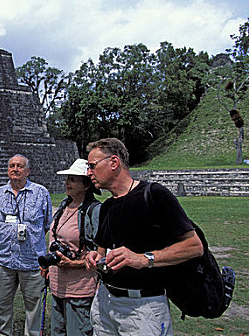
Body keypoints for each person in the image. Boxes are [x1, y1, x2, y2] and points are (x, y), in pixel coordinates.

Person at [83, 138, 203, 335]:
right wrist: (94, 258)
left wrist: (143, 259)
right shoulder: (107, 207)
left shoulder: (154, 195)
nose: (89, 173)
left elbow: (194, 246)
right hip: (105, 301)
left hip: (142, 307)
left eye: (92, 166)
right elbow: (101, 251)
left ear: (114, 163)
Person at [0, 154, 53, 336]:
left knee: (33, 307)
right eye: (11, 166)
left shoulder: (41, 193)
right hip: (4, 260)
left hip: (32, 262)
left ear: (27, 171)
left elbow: (47, 225)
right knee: (1, 306)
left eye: (19, 166)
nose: (15, 169)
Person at [40, 159, 101, 336]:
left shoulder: (94, 211)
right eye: (68, 178)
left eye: (73, 179)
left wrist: (74, 264)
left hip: (80, 289)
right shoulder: (64, 206)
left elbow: (101, 253)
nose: (67, 182)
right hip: (58, 286)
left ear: (86, 185)